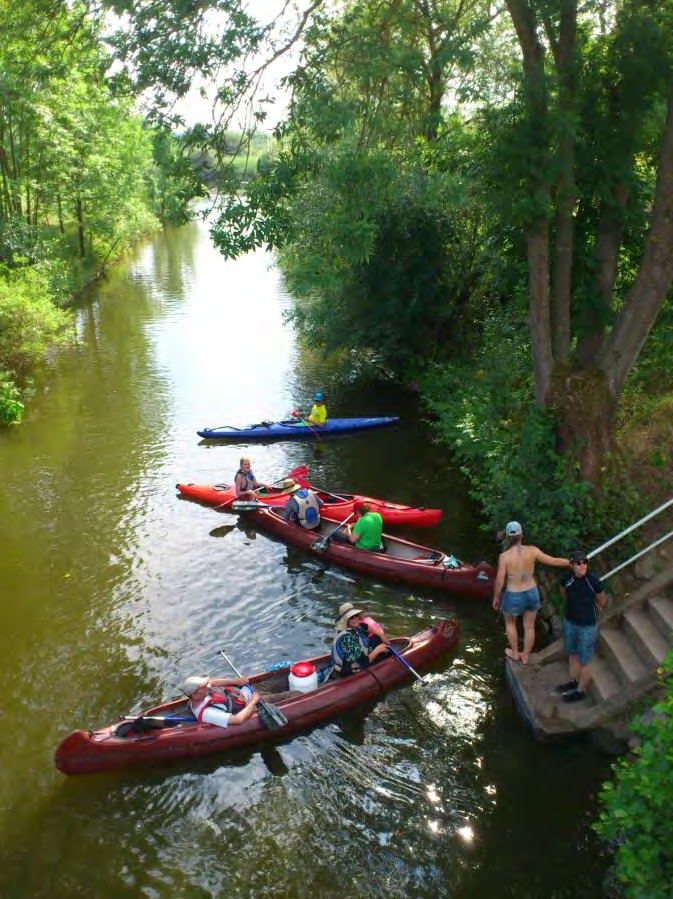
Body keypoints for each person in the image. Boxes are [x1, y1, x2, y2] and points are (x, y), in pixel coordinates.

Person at [492, 521, 570, 664]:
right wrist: (572, 561)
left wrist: (496, 597)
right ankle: (526, 656)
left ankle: (515, 653)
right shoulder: (533, 550)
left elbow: (499, 581)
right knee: (529, 626)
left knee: (510, 624)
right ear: (522, 535)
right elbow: (553, 561)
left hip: (513, 594)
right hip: (531, 592)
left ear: (508, 537)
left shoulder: (504, 557)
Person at [555, 550, 607, 703]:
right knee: (572, 653)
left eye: (585, 562)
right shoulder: (566, 579)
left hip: (587, 627)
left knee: (585, 660)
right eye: (578, 563)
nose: (582, 565)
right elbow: (563, 593)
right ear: (571, 565)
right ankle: (573, 681)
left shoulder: (594, 583)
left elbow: (601, 602)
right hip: (570, 622)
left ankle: (581, 691)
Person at [331, 602, 390, 677]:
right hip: (348, 669)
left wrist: (381, 636)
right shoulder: (347, 638)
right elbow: (365, 663)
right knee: (381, 651)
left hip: (353, 659)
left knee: (376, 638)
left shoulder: (354, 626)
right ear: (346, 620)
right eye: (351, 617)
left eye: (356, 616)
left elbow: (366, 627)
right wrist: (378, 649)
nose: (355, 618)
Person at [182, 676, 261, 728]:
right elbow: (238, 719)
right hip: (249, 705)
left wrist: (236, 681)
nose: (207, 686)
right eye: (203, 687)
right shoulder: (208, 713)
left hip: (240, 696)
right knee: (271, 698)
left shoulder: (201, 694)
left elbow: (212, 682)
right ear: (194, 695)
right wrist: (253, 702)